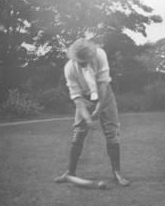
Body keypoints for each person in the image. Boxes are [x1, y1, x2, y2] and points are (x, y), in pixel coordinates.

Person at [55, 38, 129, 186]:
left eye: (86, 59)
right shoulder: (69, 68)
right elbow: (76, 97)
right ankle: (70, 171)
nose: (84, 63)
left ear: (91, 55)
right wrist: (88, 118)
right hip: (84, 97)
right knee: (78, 133)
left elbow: (103, 85)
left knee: (112, 132)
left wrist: (99, 107)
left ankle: (117, 173)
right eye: (80, 60)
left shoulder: (100, 55)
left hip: (105, 95)